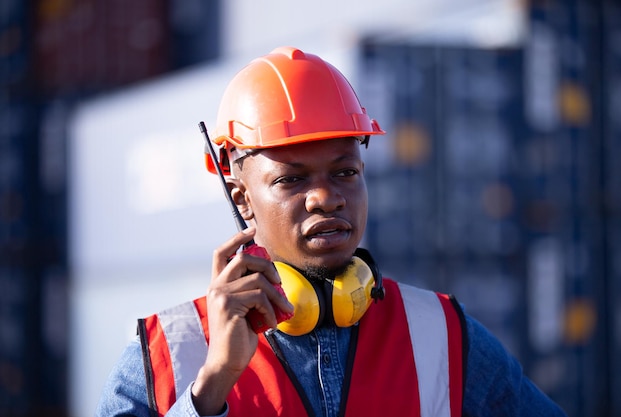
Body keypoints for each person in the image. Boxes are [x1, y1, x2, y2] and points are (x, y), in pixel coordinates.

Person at [96, 46, 567, 417]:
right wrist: (213, 384)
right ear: (242, 199)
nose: (325, 198)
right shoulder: (164, 359)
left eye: (344, 172)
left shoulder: (444, 336)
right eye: (291, 179)